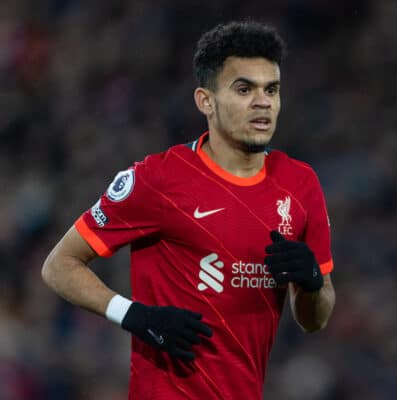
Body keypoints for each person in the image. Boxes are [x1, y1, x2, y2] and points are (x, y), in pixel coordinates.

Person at [41, 21, 335, 399]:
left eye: (271, 90)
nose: (263, 102)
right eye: (244, 89)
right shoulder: (158, 178)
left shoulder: (300, 184)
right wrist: (134, 315)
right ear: (205, 101)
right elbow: (59, 265)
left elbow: (316, 319)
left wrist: (311, 281)